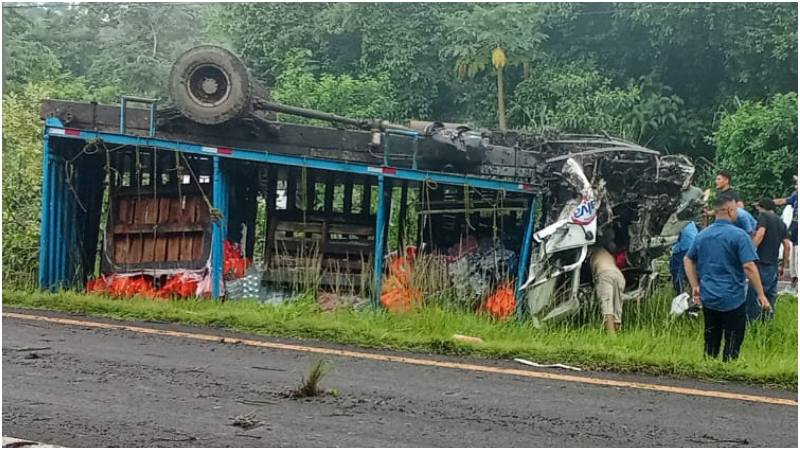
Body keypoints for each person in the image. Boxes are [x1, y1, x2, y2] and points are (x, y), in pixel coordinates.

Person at [684, 194, 770, 361]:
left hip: (708, 296)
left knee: (711, 338)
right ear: (730, 210)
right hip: (732, 297)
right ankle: (728, 368)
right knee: (733, 338)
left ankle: (709, 366)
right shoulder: (739, 236)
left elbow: (688, 258)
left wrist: (695, 285)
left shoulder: (702, 235)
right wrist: (760, 294)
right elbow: (749, 266)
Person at [745, 199, 791, 321]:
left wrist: (750, 251)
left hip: (761, 263)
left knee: (755, 295)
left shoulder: (764, 216)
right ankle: (767, 326)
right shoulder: (781, 222)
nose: (758, 211)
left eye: (758, 208)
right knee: (770, 297)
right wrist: (783, 265)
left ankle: (752, 326)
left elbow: (760, 234)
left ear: (762, 207)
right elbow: (787, 245)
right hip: (773, 265)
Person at [590, 246, 626, 335]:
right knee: (617, 309)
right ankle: (618, 334)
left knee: (607, 308)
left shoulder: (591, 253)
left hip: (604, 274)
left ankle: (611, 338)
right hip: (619, 275)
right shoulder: (607, 253)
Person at [670, 221, 699, 296]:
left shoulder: (679, 223)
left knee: (677, 274)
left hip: (683, 249)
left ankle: (680, 296)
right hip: (692, 248)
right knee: (690, 274)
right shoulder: (691, 222)